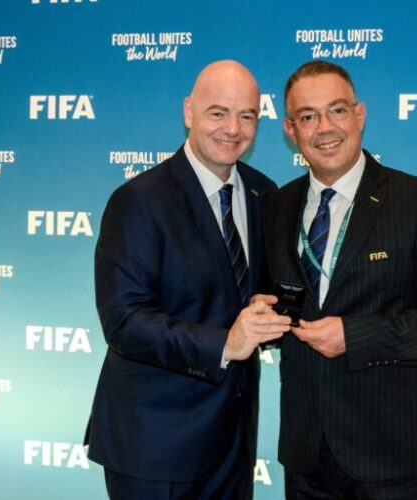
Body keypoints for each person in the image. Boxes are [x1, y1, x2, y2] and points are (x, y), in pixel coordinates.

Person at [263, 60, 417, 499]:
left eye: (337, 110)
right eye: (308, 116)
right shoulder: (277, 206)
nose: (325, 128)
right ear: (291, 129)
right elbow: (283, 303)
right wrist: (262, 316)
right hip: (307, 455)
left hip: (395, 454)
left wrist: (354, 336)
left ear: (359, 115)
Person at [85, 60, 291, 500]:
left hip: (233, 445)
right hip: (155, 445)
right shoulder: (139, 200)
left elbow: (262, 295)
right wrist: (226, 344)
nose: (233, 129)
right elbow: (124, 321)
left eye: (247, 116)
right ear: (189, 111)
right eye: (218, 113)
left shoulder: (263, 192)